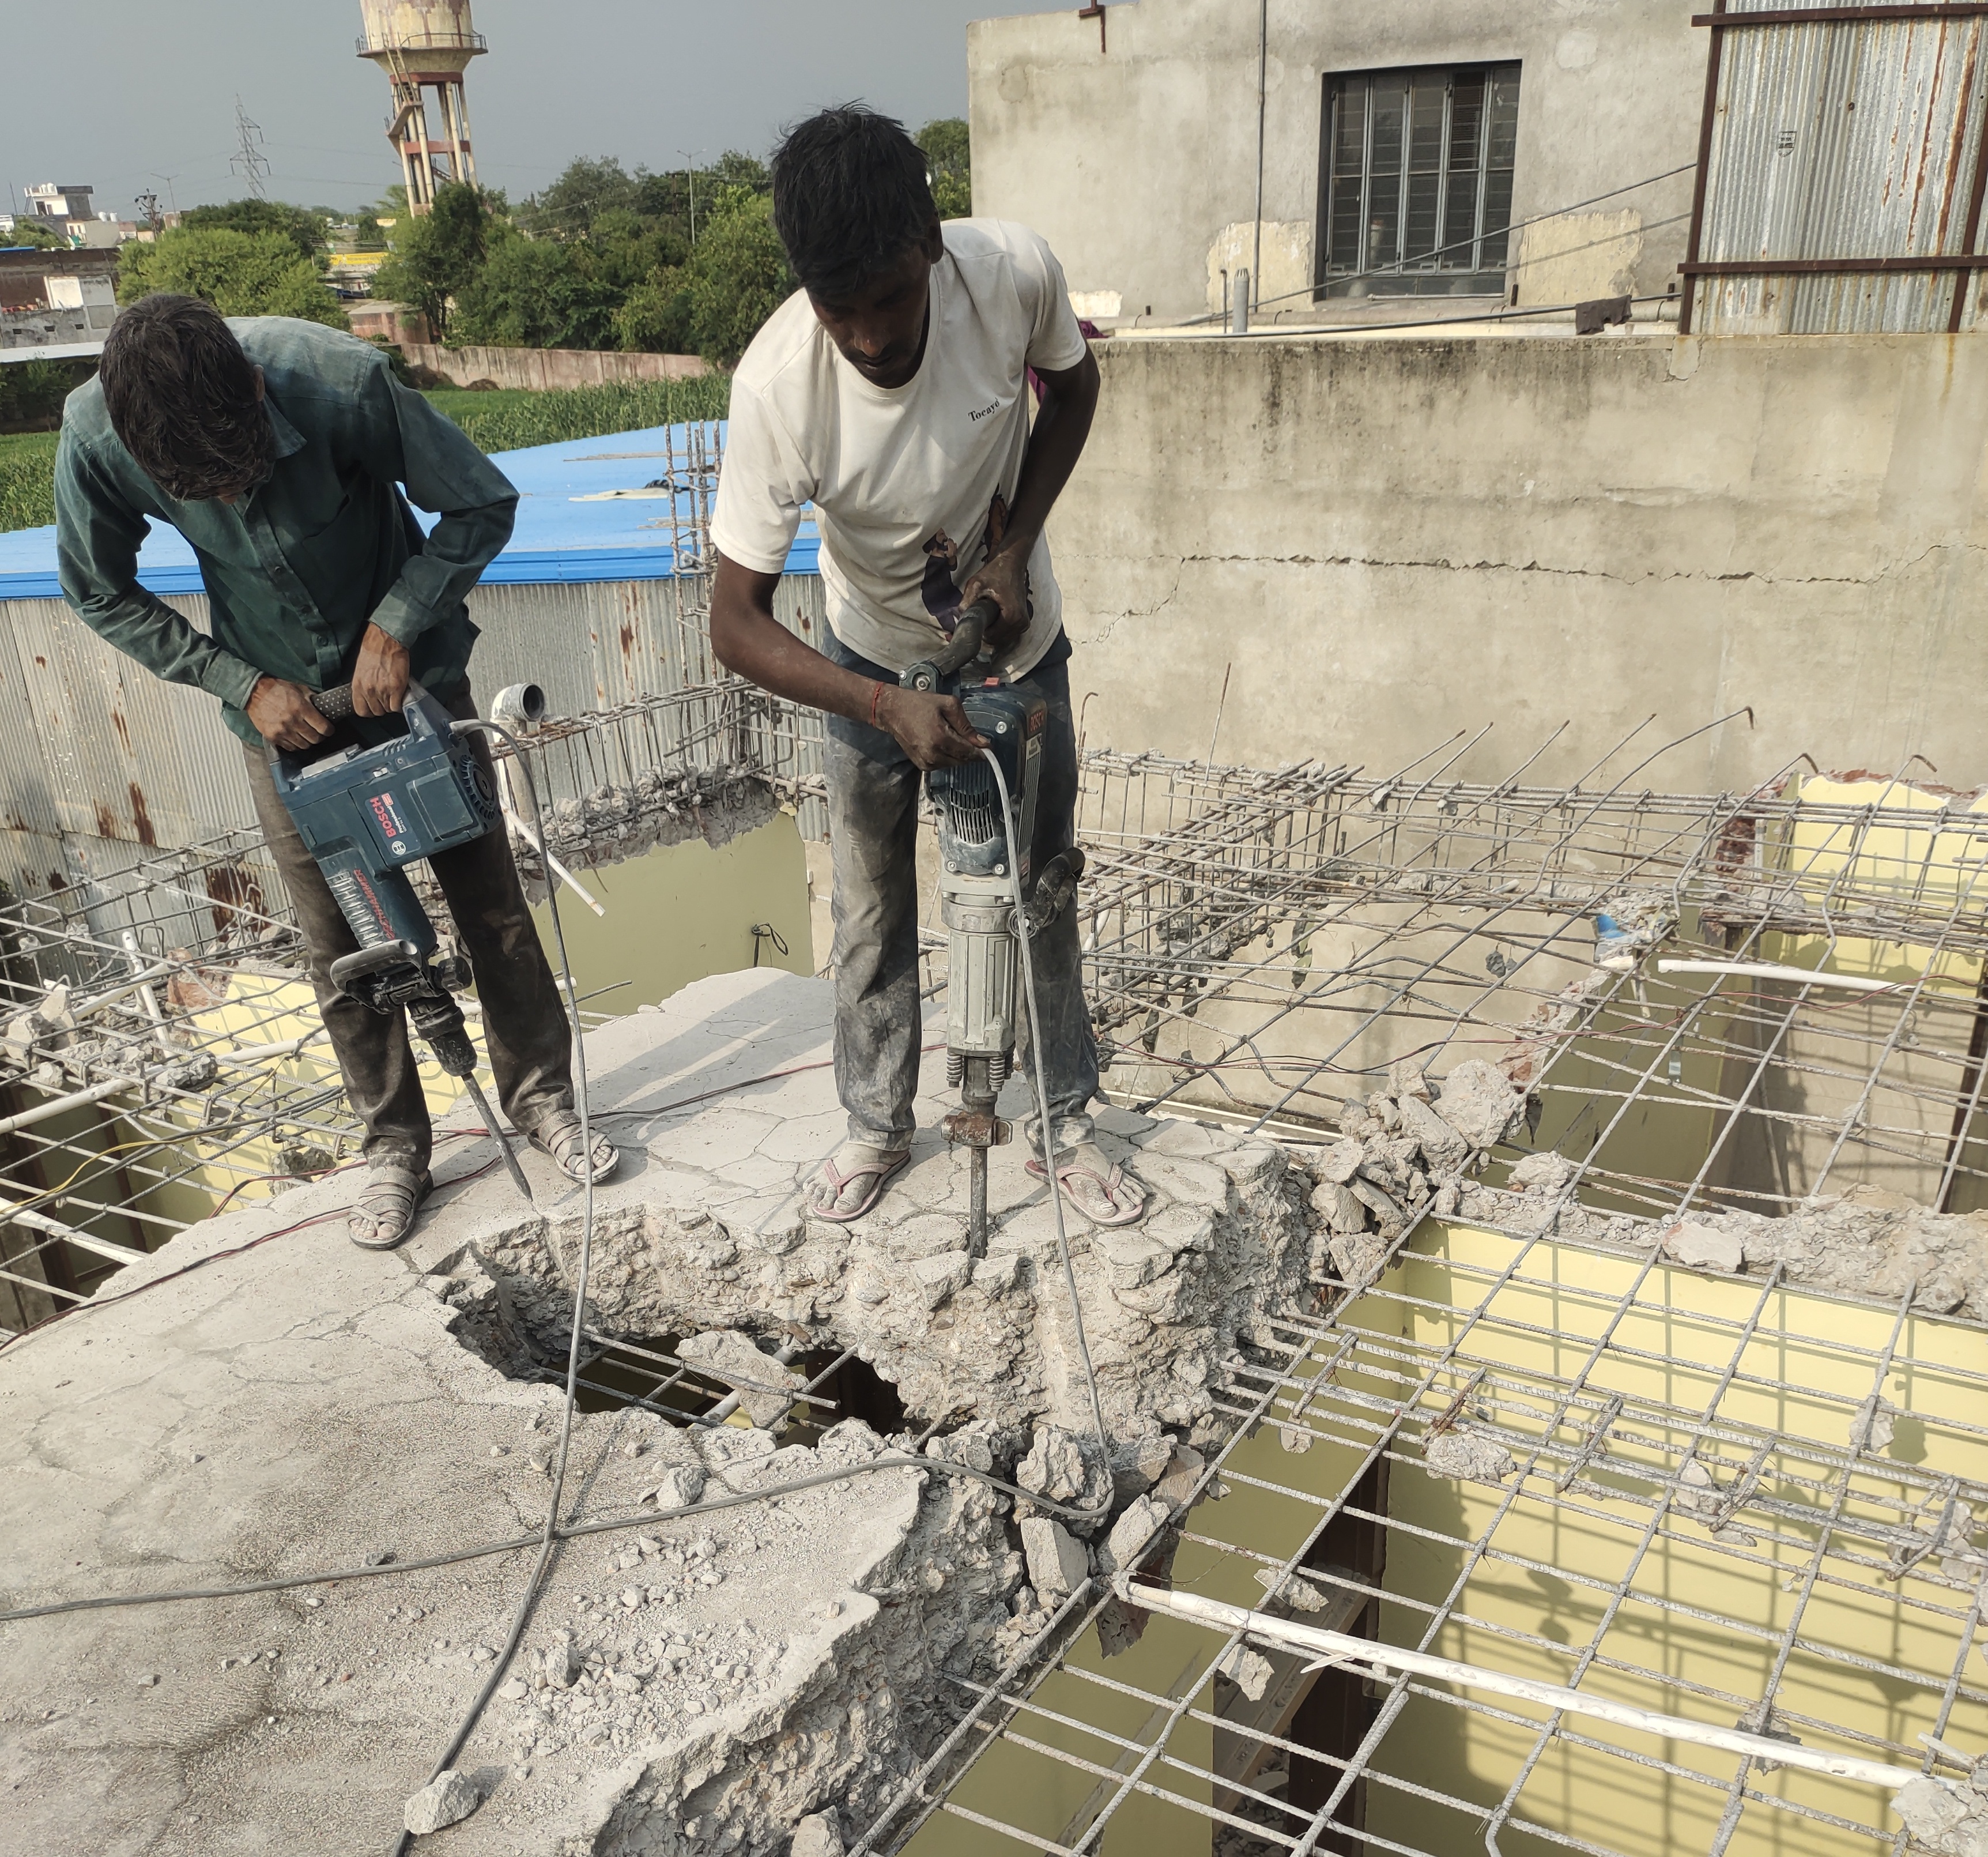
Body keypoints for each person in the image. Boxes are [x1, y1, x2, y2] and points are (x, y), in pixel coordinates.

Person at [54, 295, 616, 1249]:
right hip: (279, 719)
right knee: (345, 947)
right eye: (202, 487)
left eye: (242, 471)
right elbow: (97, 588)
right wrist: (235, 681)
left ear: (253, 390)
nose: (230, 497)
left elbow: (482, 502)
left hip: (413, 685)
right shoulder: (95, 435)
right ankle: (394, 1144)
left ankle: (541, 1100)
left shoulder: (337, 381)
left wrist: (399, 621)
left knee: (489, 910)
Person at [710, 104, 1146, 1229]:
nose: (865, 337)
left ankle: (1062, 1118)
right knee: (868, 913)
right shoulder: (777, 388)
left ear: (932, 245)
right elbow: (735, 623)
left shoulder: (1011, 275)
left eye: (888, 301)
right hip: (866, 667)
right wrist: (876, 701)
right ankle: (875, 1126)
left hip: (1015, 657)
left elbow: (1077, 389)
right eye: (836, 311)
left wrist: (1012, 550)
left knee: (1036, 895)